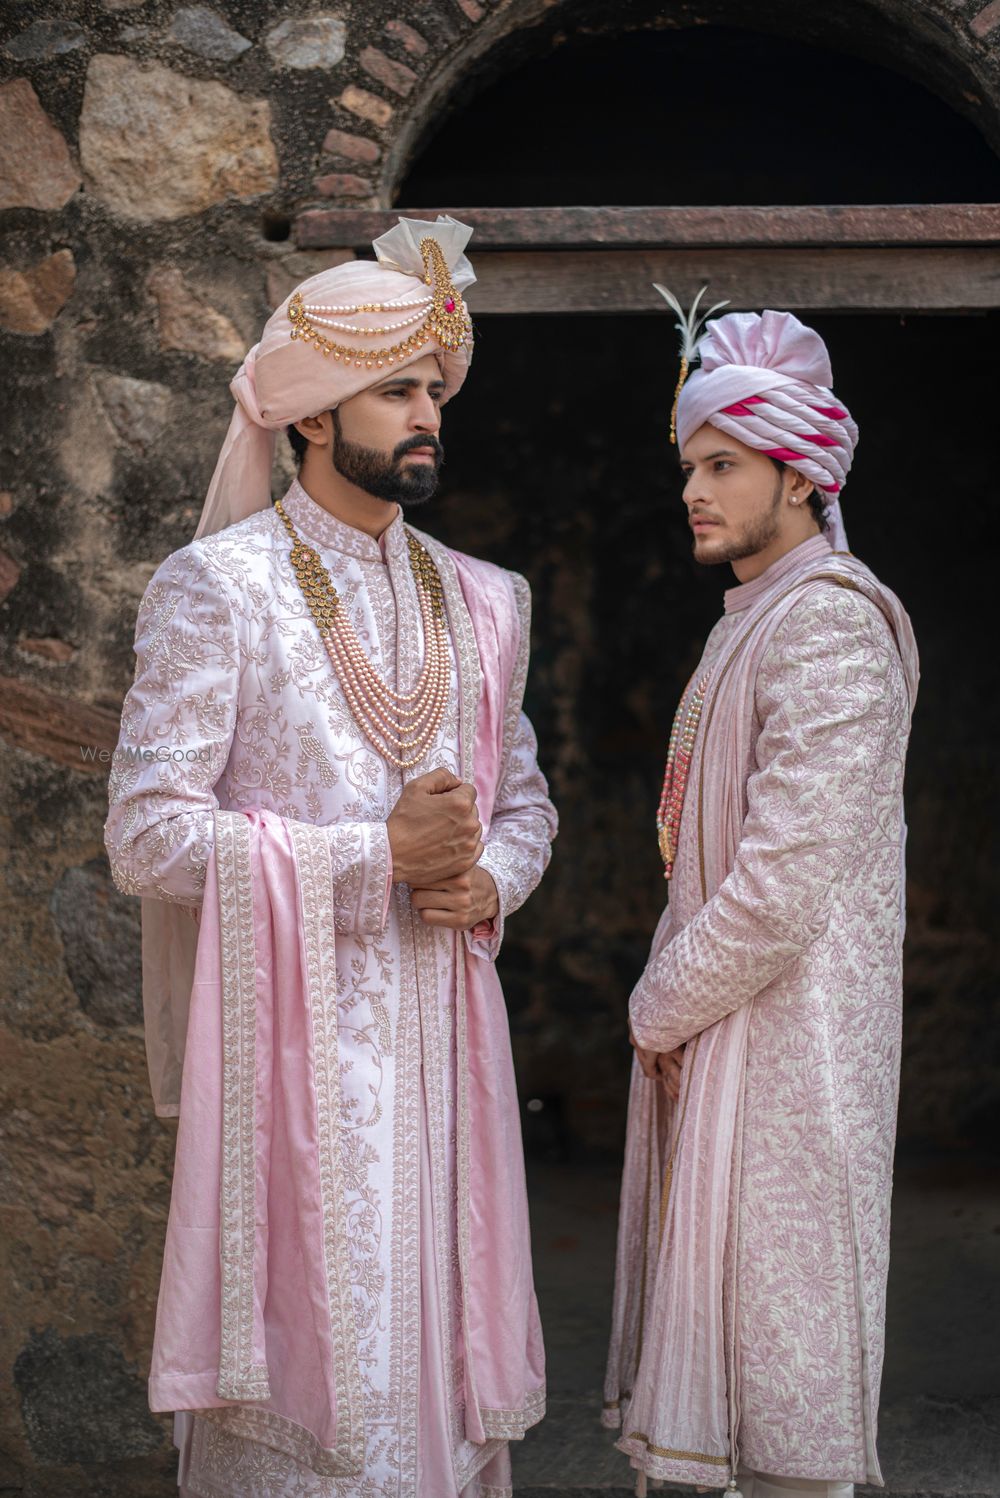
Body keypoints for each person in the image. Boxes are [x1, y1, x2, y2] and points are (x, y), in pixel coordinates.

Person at [104, 216, 556, 1498]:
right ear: (309, 415)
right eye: (397, 390)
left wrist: (488, 878)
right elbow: (145, 832)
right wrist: (373, 855)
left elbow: (525, 802)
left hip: (453, 1059)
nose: (428, 415)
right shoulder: (218, 589)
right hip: (293, 1072)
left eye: (434, 390)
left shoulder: (486, 599)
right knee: (319, 1407)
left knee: (442, 1384)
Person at [603, 294, 919, 1498]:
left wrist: (656, 1005)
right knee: (725, 1374)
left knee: (781, 1392)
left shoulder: (828, 628)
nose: (693, 489)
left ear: (800, 477)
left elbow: (779, 886)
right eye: (689, 464)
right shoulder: (752, 620)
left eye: (722, 464)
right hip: (725, 1028)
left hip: (789, 1055)